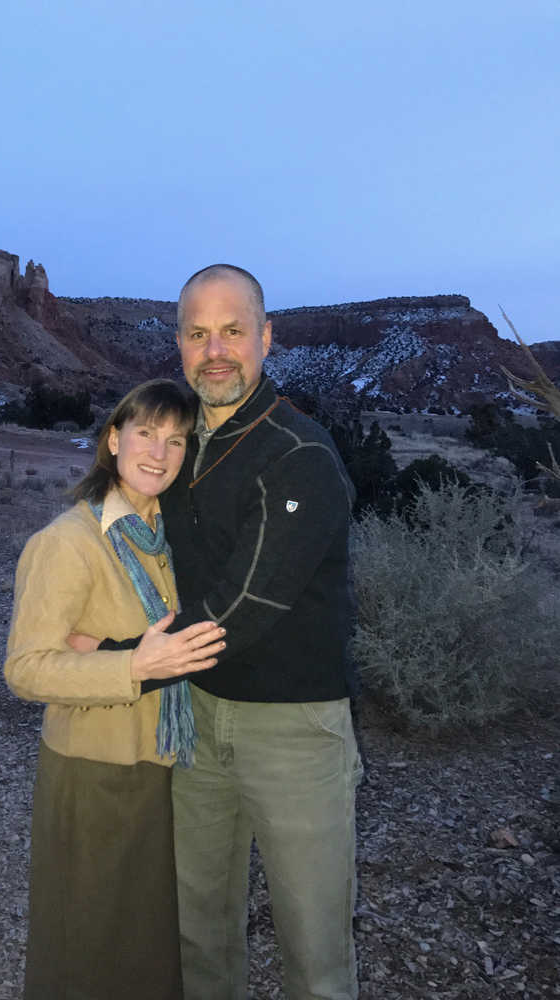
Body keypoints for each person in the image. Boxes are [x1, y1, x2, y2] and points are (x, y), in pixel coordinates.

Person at [97, 265, 362, 1000]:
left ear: (267, 339)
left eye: (234, 331)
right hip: (196, 721)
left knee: (316, 953)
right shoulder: (177, 447)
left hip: (295, 733)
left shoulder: (299, 454)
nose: (216, 350)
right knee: (199, 935)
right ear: (178, 344)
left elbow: (240, 608)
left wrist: (114, 659)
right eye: (198, 333)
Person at [3, 379, 226, 1000]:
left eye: (177, 440)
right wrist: (130, 667)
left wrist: (104, 647)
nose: (160, 452)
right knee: (88, 942)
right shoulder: (68, 543)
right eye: (146, 433)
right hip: (95, 768)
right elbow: (24, 667)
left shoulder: (174, 536)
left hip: (166, 763)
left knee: (148, 939)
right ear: (113, 438)